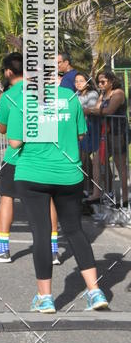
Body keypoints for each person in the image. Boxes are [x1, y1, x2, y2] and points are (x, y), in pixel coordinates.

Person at [7, 81, 109, 313]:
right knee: (74, 230)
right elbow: (81, 134)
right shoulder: (70, 97)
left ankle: (45, 297)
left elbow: (14, 142)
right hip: (68, 174)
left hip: (33, 174)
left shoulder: (22, 100)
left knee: (41, 233)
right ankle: (95, 292)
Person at [0, 53, 60, 265]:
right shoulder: (45, 92)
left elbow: (3, 127)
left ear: (8, 72)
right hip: (45, 155)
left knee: (7, 197)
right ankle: (53, 250)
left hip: (16, 157)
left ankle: (3, 248)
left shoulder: (8, 96)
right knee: (48, 199)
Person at [87, 70, 129, 209]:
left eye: (103, 81)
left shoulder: (118, 93)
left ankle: (124, 198)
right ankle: (96, 193)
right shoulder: (103, 94)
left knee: (120, 165)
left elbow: (108, 111)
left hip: (118, 133)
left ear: (111, 81)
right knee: (97, 161)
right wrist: (94, 110)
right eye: (98, 82)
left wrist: (90, 110)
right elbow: (98, 108)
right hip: (105, 134)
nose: (100, 84)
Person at [74, 73, 101, 203]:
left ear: (88, 82)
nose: (78, 83)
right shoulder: (76, 95)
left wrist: (79, 111)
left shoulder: (93, 94)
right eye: (76, 81)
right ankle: (86, 188)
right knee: (83, 160)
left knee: (95, 161)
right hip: (80, 130)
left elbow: (91, 109)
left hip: (92, 129)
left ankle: (100, 189)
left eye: (81, 81)